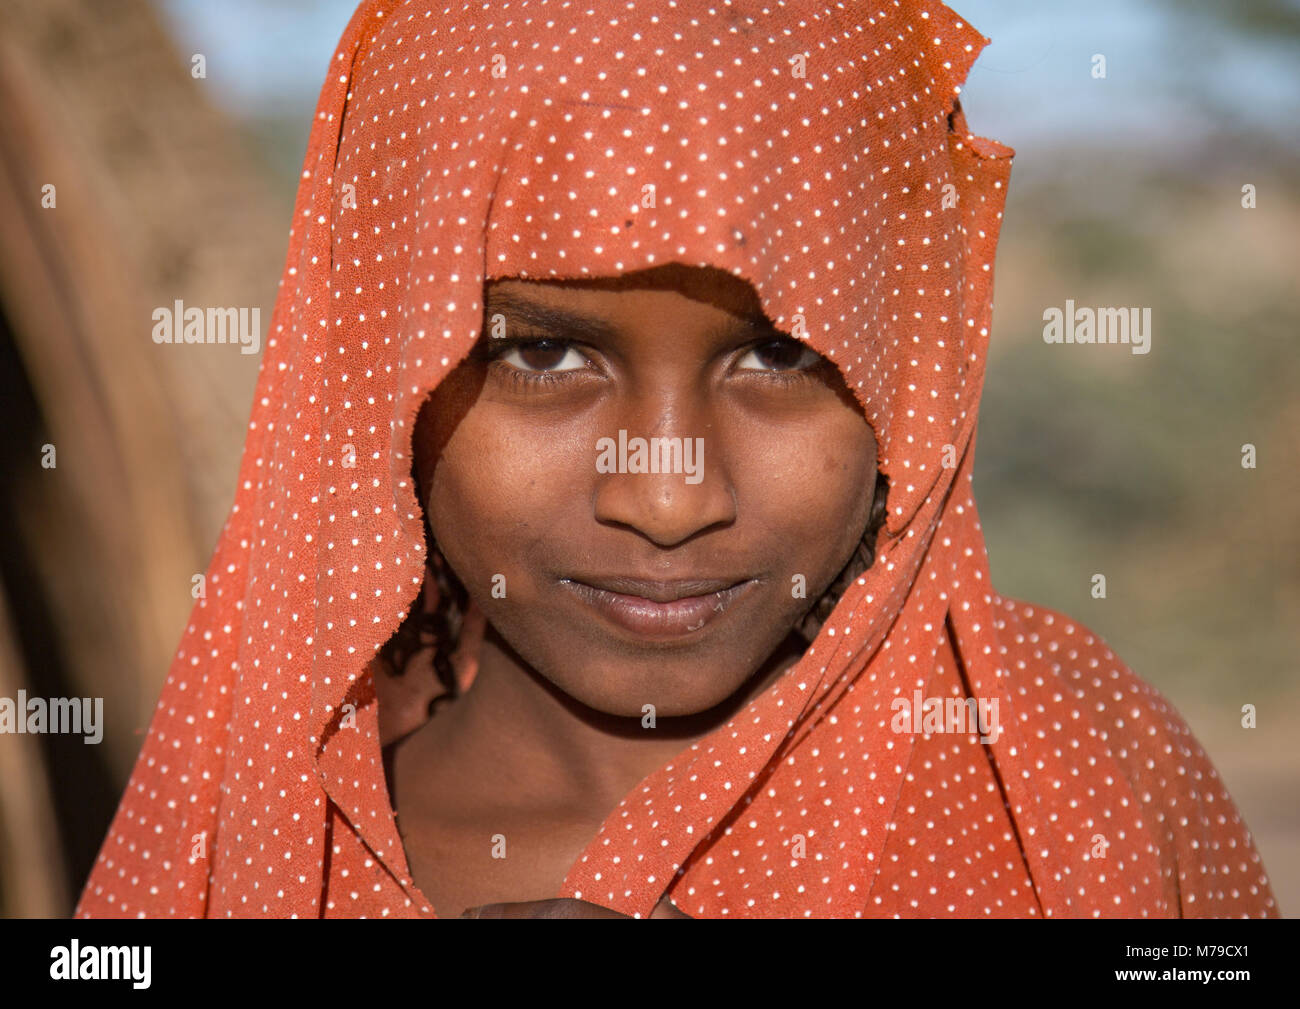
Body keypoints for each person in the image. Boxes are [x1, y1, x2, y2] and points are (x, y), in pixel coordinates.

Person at [76, 0, 1277, 919]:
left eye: (782, 357)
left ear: (912, 372)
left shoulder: (1069, 771)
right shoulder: (249, 831)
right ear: (379, 360)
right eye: (543, 356)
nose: (668, 495)